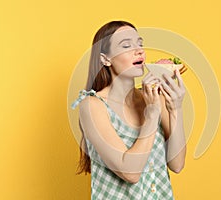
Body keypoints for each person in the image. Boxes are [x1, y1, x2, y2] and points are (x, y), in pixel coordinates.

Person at [71, 20, 186, 200]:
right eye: (126, 45)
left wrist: (175, 108)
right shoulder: (92, 105)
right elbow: (131, 173)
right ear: (105, 59)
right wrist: (152, 114)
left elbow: (177, 164)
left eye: (140, 44)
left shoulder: (154, 97)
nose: (139, 50)